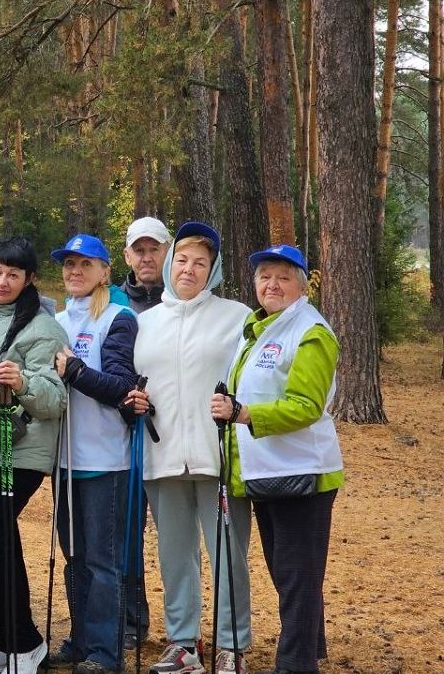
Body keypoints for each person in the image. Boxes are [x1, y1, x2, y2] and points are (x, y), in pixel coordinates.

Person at [125, 222, 252, 674]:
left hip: (217, 456)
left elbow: (251, 378)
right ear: (169, 262)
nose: (189, 269)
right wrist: (133, 398)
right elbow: (132, 381)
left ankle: (231, 645)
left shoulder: (236, 317)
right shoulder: (145, 323)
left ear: (213, 270)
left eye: (201, 263)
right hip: (161, 457)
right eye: (182, 259)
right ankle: (184, 644)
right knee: (175, 555)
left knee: (227, 555)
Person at [211, 245, 343, 674]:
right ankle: (308, 649)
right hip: (268, 472)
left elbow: (306, 405)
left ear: (302, 286)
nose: (272, 284)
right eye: (265, 276)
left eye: (284, 277)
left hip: (302, 474)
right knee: (291, 576)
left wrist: (244, 414)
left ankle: (295, 664)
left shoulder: (311, 332)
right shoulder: (260, 327)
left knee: (297, 579)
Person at [0, 237, 69, 674]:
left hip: (18, 451)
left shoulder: (43, 328)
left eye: (13, 274)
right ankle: (9, 640)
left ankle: (26, 643)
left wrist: (23, 382)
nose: (2, 280)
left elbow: (55, 398)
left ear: (28, 280)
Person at [50, 234, 139, 674]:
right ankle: (81, 639)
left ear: (105, 271)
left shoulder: (119, 318)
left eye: (85, 264)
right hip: (64, 459)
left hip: (106, 459)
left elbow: (123, 388)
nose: (75, 271)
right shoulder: (55, 319)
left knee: (104, 562)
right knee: (75, 557)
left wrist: (78, 372)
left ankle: (105, 652)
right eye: (69, 264)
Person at [117, 217, 168, 646]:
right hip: (124, 432)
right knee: (127, 531)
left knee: (175, 535)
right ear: (127, 255)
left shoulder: (186, 299)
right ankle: (131, 621)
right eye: (140, 250)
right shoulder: (114, 301)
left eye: (155, 249)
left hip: (175, 434)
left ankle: (184, 630)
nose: (147, 257)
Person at [122, 216, 171, 314]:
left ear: (168, 252)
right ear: (127, 257)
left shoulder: (183, 303)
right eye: (139, 250)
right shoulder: (112, 303)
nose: (147, 259)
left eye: (154, 249)